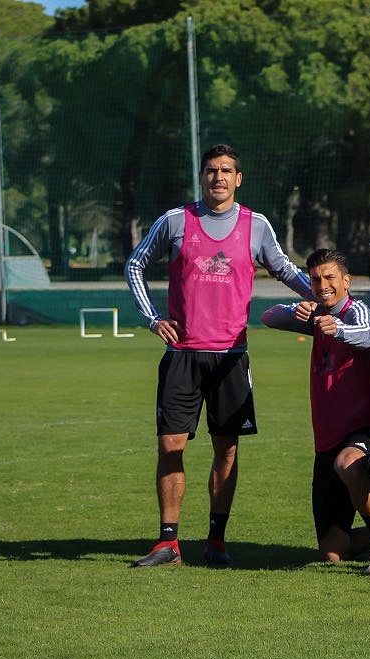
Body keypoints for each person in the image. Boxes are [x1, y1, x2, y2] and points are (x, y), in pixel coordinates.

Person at [125, 143, 313, 567]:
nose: (219, 177)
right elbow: (136, 264)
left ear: (238, 178)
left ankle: (216, 541)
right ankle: (168, 543)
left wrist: (327, 301)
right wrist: (153, 319)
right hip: (182, 355)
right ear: (202, 176)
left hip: (231, 357)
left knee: (226, 449)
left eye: (227, 170)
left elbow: (285, 269)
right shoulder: (176, 221)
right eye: (212, 170)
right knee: (170, 446)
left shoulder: (256, 225)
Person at [260, 249, 370, 572]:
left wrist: (339, 328)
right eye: (316, 279)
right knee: (332, 552)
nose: (323, 284)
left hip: (363, 425)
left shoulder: (356, 310)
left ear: (346, 281)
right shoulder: (318, 315)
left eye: (330, 277)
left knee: (349, 464)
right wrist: (302, 308)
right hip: (326, 436)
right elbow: (269, 316)